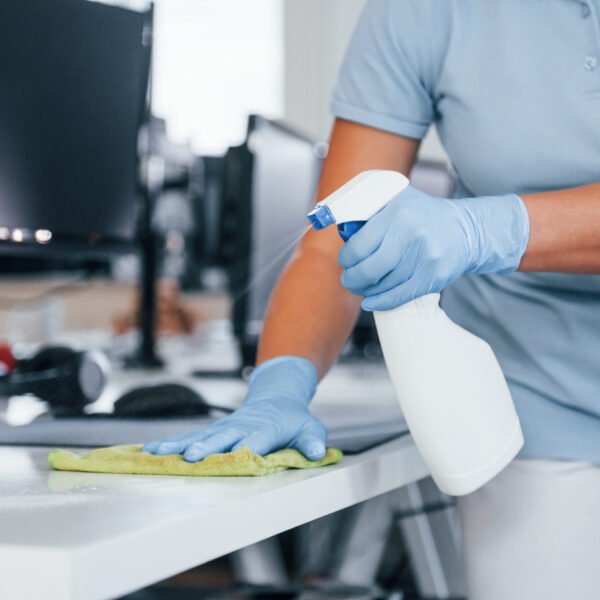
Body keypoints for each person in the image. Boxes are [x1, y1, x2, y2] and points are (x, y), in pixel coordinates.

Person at [145, 1, 600, 597]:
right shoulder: (424, 12)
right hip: (535, 415)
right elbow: (333, 241)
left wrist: (492, 228)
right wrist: (281, 381)